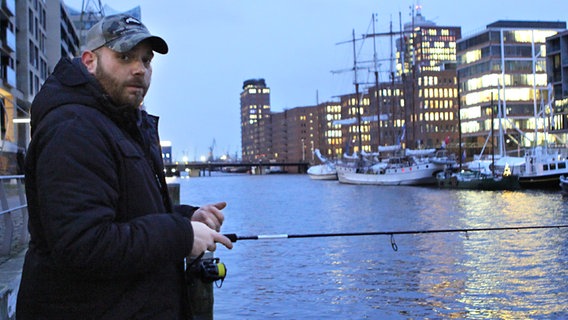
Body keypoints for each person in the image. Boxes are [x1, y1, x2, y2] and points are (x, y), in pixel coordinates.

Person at [16, 14, 233, 319]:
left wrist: (188, 217)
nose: (139, 69)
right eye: (125, 56)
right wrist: (182, 235)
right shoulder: (73, 128)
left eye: (146, 60)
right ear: (90, 61)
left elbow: (127, 209)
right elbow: (84, 243)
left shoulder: (118, 123)